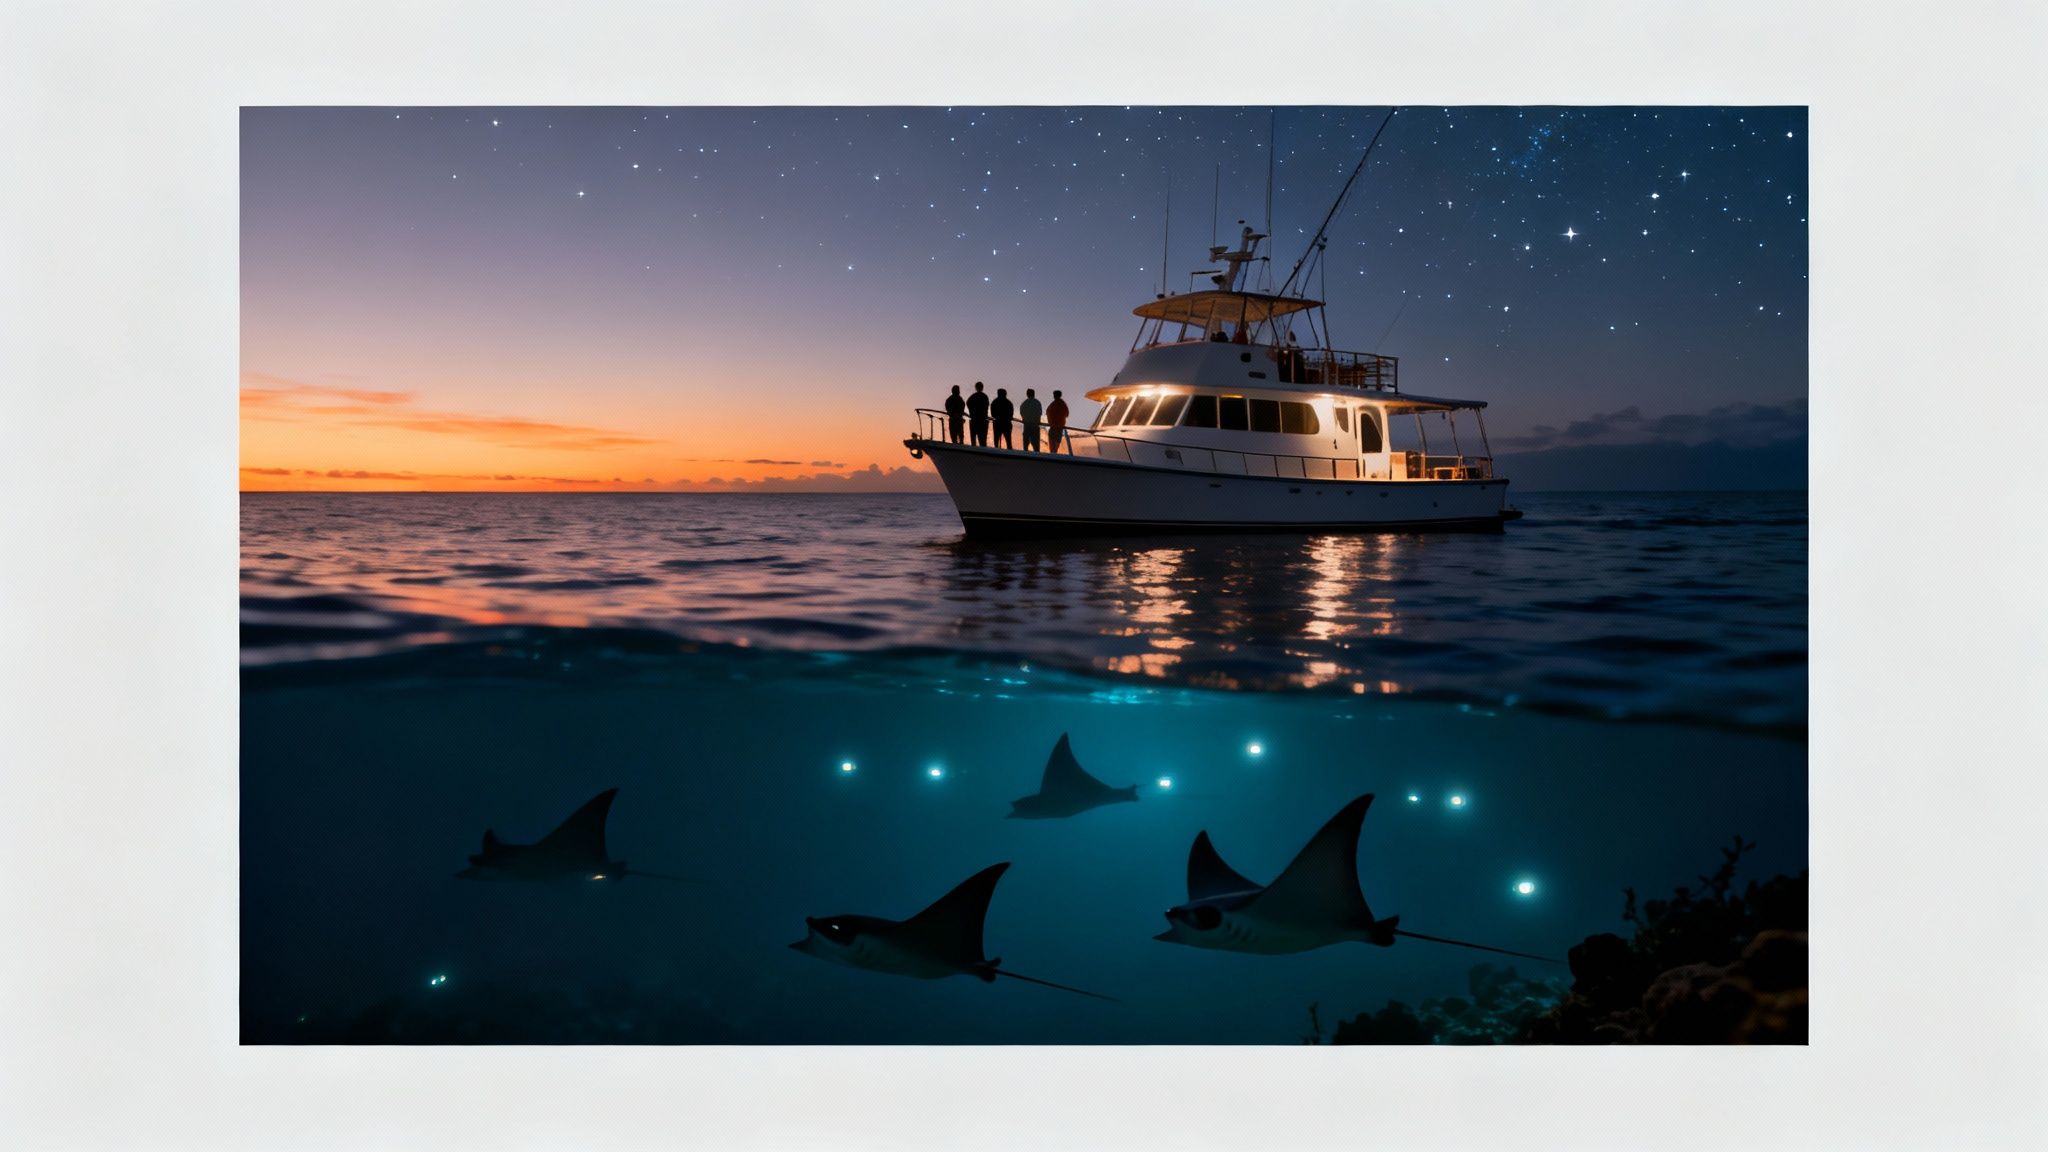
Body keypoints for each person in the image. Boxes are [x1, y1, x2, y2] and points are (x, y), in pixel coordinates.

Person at [966, 381, 990, 447]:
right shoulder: (985, 396)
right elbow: (987, 406)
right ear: (982, 388)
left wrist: (971, 412)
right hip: (982, 421)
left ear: (976, 388)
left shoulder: (973, 397)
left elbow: (968, 403)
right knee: (983, 441)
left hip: (974, 420)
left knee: (973, 441)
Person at [1019, 388, 1043, 452]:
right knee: (1036, 446)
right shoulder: (1037, 403)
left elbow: (1021, 413)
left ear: (1027, 394)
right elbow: (1040, 413)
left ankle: (1025, 458)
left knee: (1025, 445)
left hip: (1027, 426)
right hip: (1035, 426)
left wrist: (1024, 419)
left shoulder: (1024, 404)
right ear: (1034, 394)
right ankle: (1037, 458)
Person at [1046, 389, 1070, 454]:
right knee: (1055, 447)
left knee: (1052, 447)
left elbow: (1047, 412)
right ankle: (1054, 455)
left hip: (1053, 427)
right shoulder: (1063, 404)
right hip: (1059, 428)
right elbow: (1067, 414)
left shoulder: (1052, 405)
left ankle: (1053, 456)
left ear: (1054, 396)